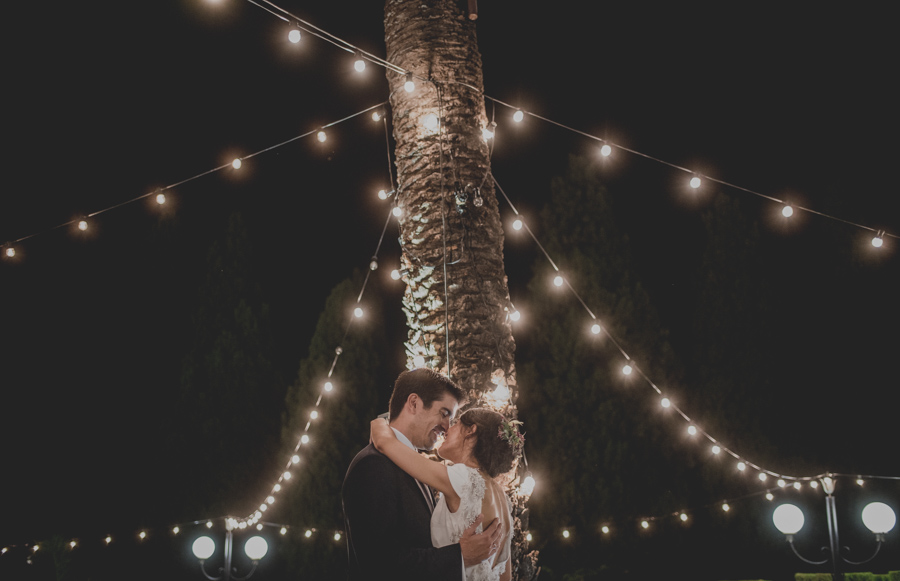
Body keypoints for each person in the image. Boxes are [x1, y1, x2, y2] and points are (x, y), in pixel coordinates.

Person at [342, 368, 503, 581]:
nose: (447, 427)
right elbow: (378, 565)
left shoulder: (420, 470)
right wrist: (460, 556)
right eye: (444, 413)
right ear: (414, 403)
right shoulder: (373, 464)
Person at [370, 407, 523, 581]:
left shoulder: (463, 477)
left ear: (471, 430)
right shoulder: (502, 499)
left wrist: (382, 420)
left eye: (456, 423)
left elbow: (384, 442)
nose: (446, 430)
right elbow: (506, 577)